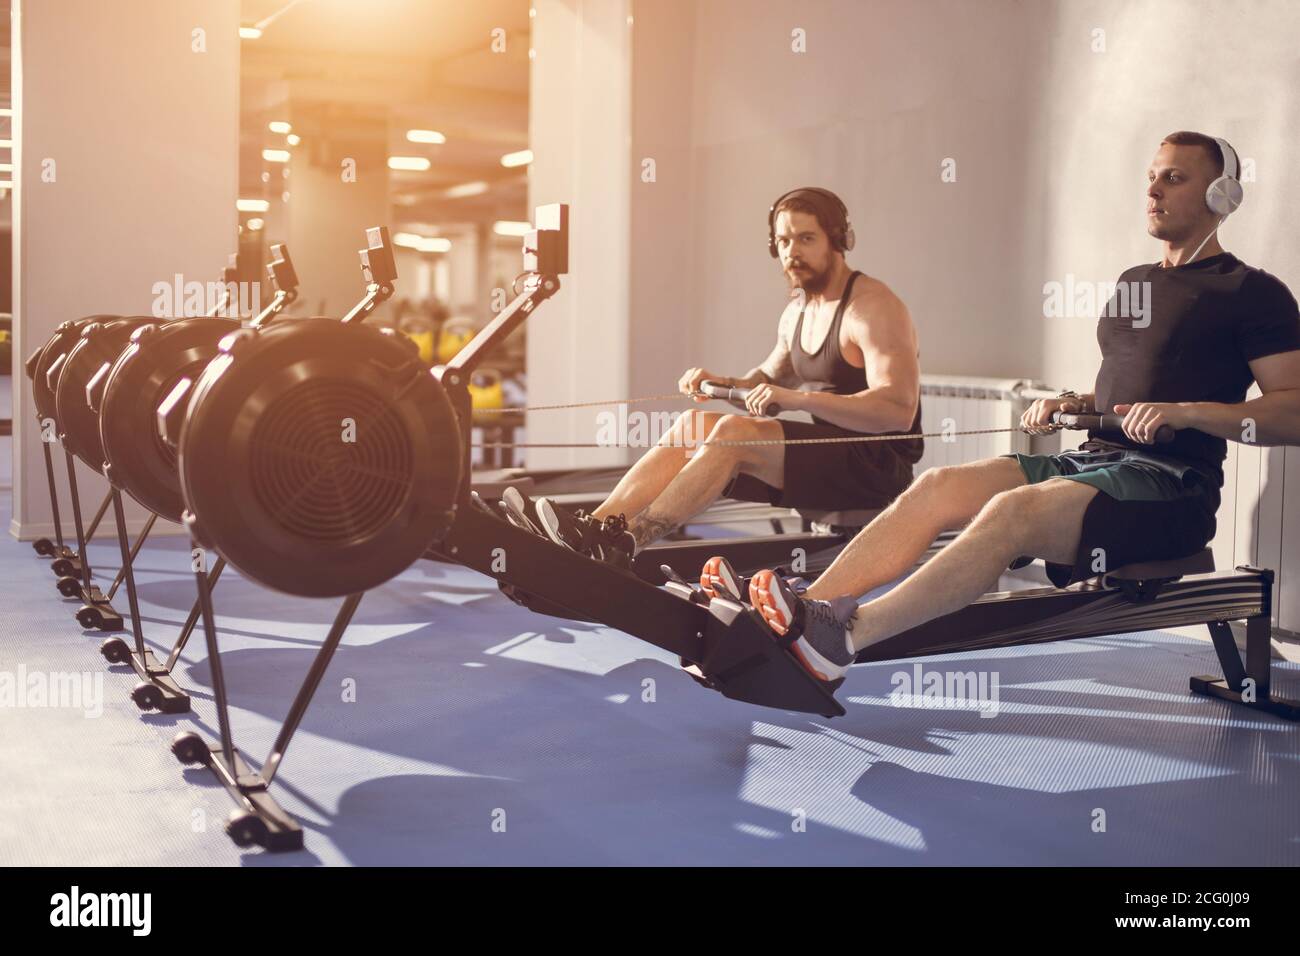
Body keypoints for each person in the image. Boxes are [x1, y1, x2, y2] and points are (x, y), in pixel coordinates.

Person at [722, 132, 1300, 683]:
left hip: (1173, 488)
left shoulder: (1250, 292)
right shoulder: (1135, 282)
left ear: (1220, 196)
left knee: (1012, 510)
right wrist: (1071, 401)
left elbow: (1291, 413)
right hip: (1096, 462)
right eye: (1151, 177)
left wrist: (1191, 413)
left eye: (1173, 179)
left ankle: (843, 640)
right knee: (940, 485)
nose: (1152, 190)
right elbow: (1130, 391)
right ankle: (807, 609)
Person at [525, 188, 925, 570]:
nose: (792, 252)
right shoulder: (799, 310)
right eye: (783, 241)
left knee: (734, 434)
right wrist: (722, 382)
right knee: (694, 425)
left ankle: (625, 544)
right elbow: (767, 381)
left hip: (877, 467)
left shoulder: (871, 308)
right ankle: (592, 531)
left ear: (838, 240)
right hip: (831, 453)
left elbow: (897, 412)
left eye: (806, 239)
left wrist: (798, 400)